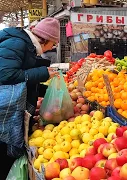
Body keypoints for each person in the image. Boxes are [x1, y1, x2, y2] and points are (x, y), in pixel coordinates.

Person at [0, 17, 60, 178]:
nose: (52, 47)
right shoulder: (17, 43)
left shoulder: (26, 46)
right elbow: (5, 74)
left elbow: (23, 80)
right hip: (4, 112)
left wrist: (48, 91)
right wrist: (42, 73)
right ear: (45, 39)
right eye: (53, 43)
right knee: (4, 153)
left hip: (11, 109)